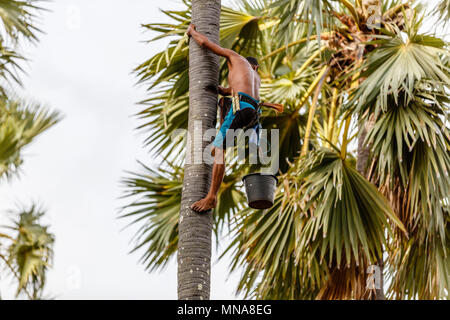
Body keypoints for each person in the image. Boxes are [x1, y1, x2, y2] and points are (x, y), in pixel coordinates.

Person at [187, 23, 280, 212]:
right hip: (251, 113)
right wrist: (222, 91)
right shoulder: (256, 77)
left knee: (218, 149)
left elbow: (205, 43)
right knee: (220, 144)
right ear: (256, 66)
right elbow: (234, 90)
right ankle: (228, 149)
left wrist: (192, 32)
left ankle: (212, 197)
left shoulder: (234, 57)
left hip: (240, 109)